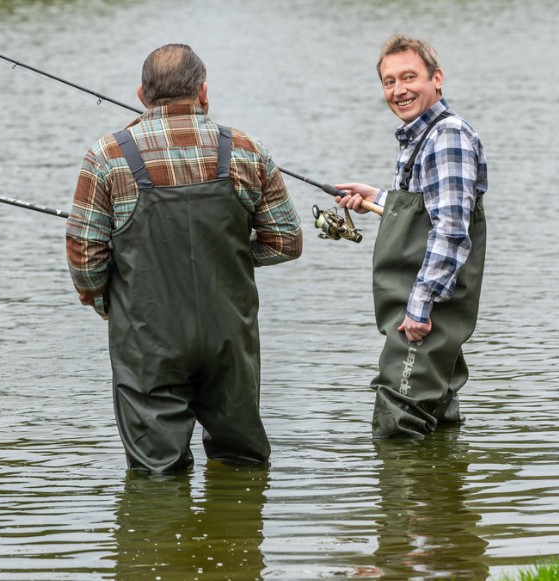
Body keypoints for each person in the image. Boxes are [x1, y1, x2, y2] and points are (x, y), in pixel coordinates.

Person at [65, 44, 303, 474]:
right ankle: (237, 527)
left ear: (141, 94)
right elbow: (286, 240)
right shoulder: (247, 150)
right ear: (204, 92)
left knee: (157, 474)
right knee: (242, 461)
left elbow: (85, 254)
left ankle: (163, 534)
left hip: (147, 337)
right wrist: (229, 257)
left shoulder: (108, 155)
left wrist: (106, 301)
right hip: (229, 334)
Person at [336, 34, 487, 439]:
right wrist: (378, 197)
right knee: (436, 411)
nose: (399, 90)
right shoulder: (423, 135)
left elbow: (452, 229)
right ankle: (442, 498)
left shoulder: (446, 136)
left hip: (425, 310)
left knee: (397, 419)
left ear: (437, 79)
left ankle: (407, 500)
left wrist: (419, 307)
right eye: (389, 81)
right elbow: (429, 207)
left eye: (409, 77)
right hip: (425, 306)